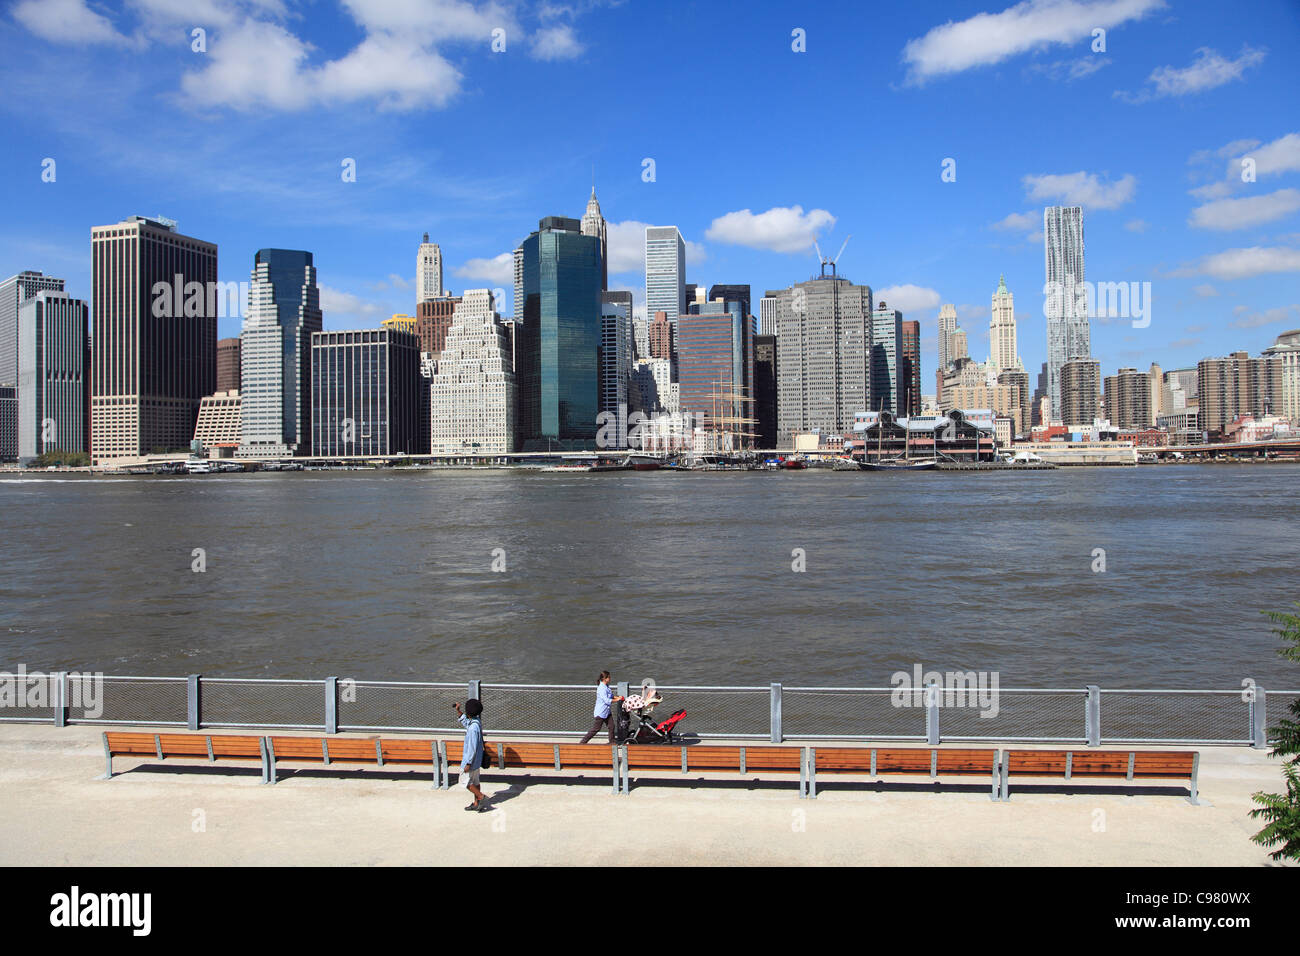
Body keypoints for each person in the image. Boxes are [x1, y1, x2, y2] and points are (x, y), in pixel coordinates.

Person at [453, 699, 487, 811]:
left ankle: (481, 797)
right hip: (477, 760)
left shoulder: (472, 729)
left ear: (469, 712)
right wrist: (459, 711)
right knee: (476, 782)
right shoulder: (476, 722)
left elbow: (472, 748)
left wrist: (468, 763)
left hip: (471, 761)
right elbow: (467, 722)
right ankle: (476, 803)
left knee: (464, 781)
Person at [579, 671, 621, 744]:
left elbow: (610, 696)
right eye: (609, 677)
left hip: (607, 712)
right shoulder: (601, 688)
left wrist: (617, 697)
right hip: (601, 712)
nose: (610, 679)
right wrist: (617, 700)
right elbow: (606, 700)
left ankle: (612, 742)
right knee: (596, 729)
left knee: (611, 726)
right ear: (605, 679)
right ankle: (583, 742)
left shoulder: (606, 686)